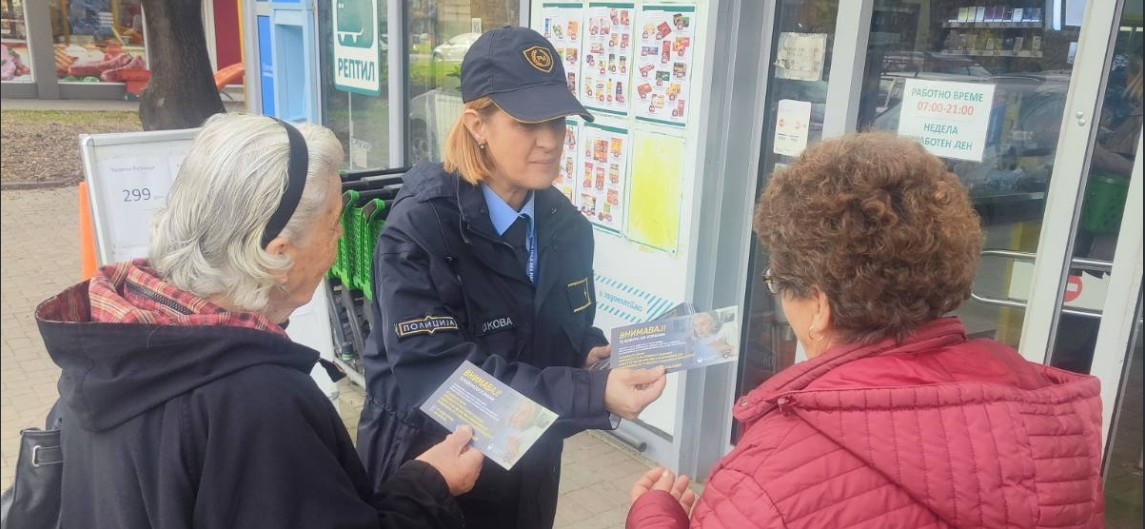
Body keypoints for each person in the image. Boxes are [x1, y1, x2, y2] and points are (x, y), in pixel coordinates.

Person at [627, 133, 1105, 529]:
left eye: (777, 282)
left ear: (819, 306)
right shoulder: (1046, 418)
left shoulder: (767, 477)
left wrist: (654, 515)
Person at [35, 114, 483, 529]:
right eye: (333, 222)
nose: (342, 234)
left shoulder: (106, 341)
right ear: (278, 254)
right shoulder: (259, 402)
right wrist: (429, 483)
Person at [357, 26, 667, 529]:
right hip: (434, 478)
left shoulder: (567, 227)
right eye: (528, 123)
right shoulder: (420, 228)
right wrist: (593, 393)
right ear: (477, 124)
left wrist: (587, 354)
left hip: (530, 472)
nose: (551, 141)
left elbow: (555, 328)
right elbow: (446, 381)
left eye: (558, 121)